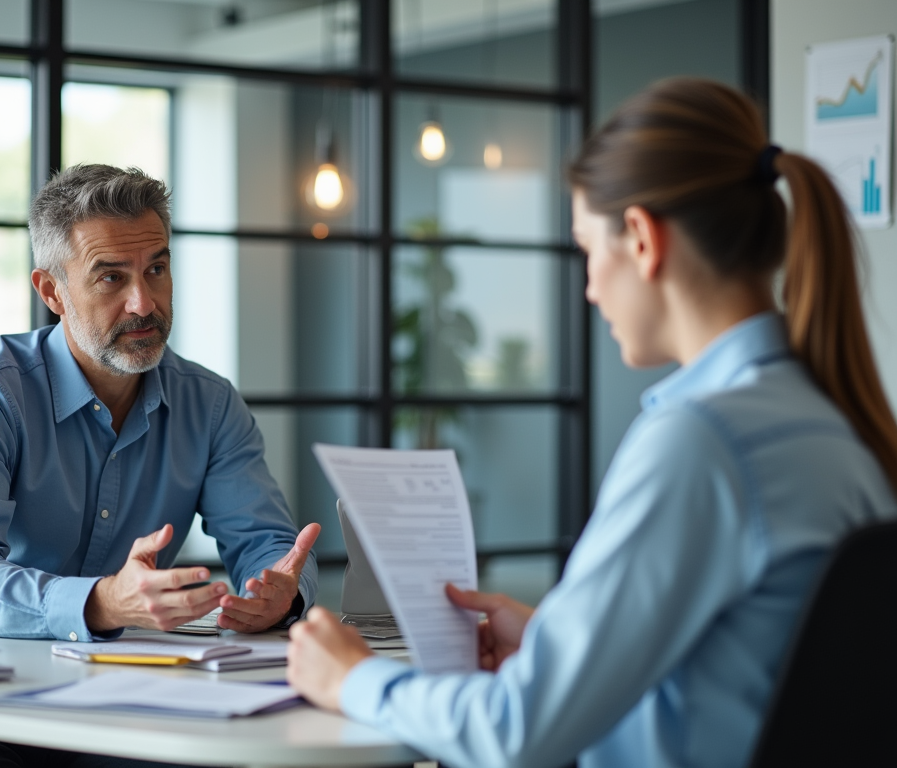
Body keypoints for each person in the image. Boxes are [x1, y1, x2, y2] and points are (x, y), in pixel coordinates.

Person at [285, 78, 897, 768]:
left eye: (586, 250)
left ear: (640, 238)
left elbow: (516, 734)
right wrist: (558, 638)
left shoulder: (702, 444)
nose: (589, 288)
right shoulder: (831, 423)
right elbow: (751, 666)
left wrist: (353, 680)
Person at [0, 164, 319, 768]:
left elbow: (267, 545)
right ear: (51, 292)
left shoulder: (209, 402)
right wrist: (102, 602)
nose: (143, 303)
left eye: (157, 270)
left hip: (124, 699)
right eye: (111, 278)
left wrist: (279, 594)